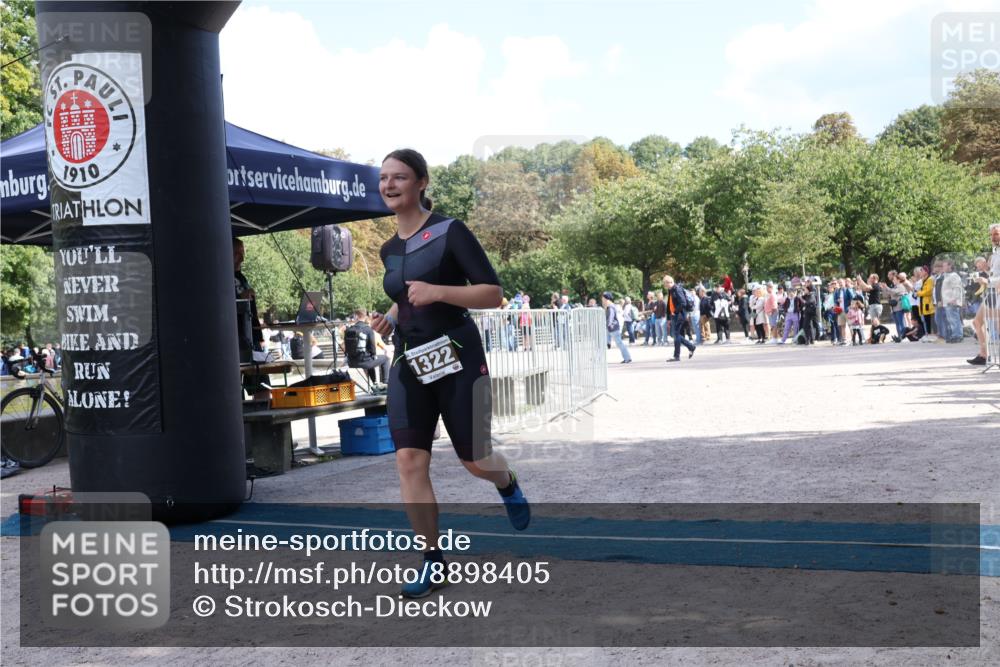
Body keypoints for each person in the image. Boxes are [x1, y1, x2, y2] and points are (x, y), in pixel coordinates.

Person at [371, 148, 529, 599]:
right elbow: (405, 298)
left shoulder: (449, 231)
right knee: (409, 461)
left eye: (399, 177)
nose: (389, 185)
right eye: (384, 178)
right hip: (409, 361)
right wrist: (391, 318)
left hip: (458, 355)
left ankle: (506, 481)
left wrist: (439, 290)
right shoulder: (388, 248)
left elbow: (493, 294)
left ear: (421, 182)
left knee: (475, 460)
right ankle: (432, 562)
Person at [234, 238, 268, 400]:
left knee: (262, 387)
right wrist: (239, 297)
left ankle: (262, 423)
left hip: (251, 338)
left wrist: (259, 335)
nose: (241, 258)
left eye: (242, 253)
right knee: (235, 391)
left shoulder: (242, 278)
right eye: (236, 253)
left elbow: (251, 309)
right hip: (235, 340)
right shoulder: (219, 277)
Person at [969, 224, 1000, 364]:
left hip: (995, 291)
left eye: (996, 234)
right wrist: (985, 272)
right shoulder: (994, 254)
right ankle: (983, 354)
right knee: (977, 322)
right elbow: (994, 274)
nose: (993, 237)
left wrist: (987, 280)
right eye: (992, 234)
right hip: (992, 292)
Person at [345, 308, 390, 386]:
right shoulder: (368, 329)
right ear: (365, 316)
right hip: (364, 362)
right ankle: (385, 384)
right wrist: (373, 355)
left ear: (356, 316)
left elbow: (346, 347)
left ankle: (374, 383)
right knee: (385, 358)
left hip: (351, 362)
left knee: (370, 360)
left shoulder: (349, 330)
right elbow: (372, 348)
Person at [663, 275, 696, 362]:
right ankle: (690, 347)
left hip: (680, 315)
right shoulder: (671, 290)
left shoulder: (677, 289)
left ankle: (677, 356)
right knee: (676, 335)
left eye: (665, 284)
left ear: (669, 282)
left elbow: (683, 303)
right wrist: (669, 317)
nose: (665, 286)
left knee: (676, 335)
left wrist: (675, 312)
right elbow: (669, 305)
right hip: (675, 316)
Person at [602, 292, 632, 363]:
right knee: (615, 343)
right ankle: (627, 357)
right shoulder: (611, 306)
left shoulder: (610, 307)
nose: (602, 299)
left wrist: (608, 324)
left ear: (606, 299)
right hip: (612, 328)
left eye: (603, 298)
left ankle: (627, 358)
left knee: (619, 343)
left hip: (613, 328)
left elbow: (610, 318)